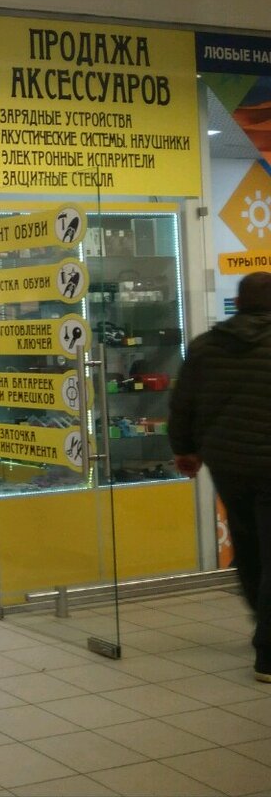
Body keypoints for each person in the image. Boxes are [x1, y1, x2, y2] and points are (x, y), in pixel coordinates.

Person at [169, 271, 271, 683]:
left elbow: (183, 402)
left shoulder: (206, 345)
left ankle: (263, 620)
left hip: (228, 464)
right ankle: (268, 652)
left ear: (239, 302)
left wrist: (184, 450)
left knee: (247, 546)